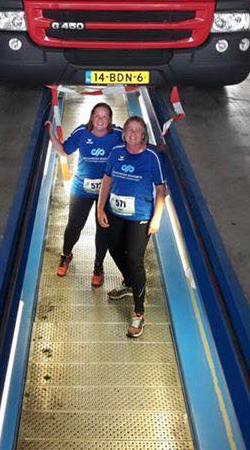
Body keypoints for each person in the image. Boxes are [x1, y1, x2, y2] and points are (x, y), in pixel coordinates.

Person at [97, 116, 166, 338]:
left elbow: (161, 190)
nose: (133, 134)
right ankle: (129, 283)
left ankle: (139, 311)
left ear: (143, 134)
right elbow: (106, 180)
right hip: (116, 213)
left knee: (135, 259)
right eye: (129, 130)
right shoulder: (116, 151)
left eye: (137, 130)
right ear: (124, 133)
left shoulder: (152, 157)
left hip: (140, 217)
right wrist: (100, 209)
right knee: (115, 250)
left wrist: (157, 218)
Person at [46, 102, 122, 286]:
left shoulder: (118, 135)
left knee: (103, 228)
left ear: (110, 120)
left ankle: (98, 266)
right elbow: (64, 150)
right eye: (97, 115)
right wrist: (50, 132)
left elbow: (136, 142)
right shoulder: (82, 133)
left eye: (105, 117)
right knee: (74, 226)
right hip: (82, 189)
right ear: (91, 116)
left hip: (106, 190)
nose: (100, 120)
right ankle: (66, 254)